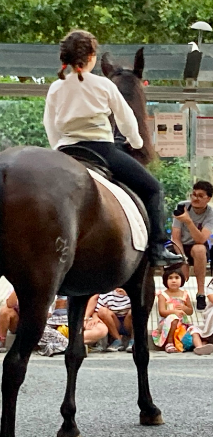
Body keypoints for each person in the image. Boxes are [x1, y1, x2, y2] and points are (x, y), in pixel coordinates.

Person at [42, 29, 183, 267]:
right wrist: (137, 143)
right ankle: (158, 248)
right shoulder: (104, 85)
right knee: (153, 189)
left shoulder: (57, 87)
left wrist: (59, 148)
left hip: (66, 151)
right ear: (91, 57)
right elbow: (127, 120)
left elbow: (49, 123)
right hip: (102, 151)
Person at [171, 181, 213, 310]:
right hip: (180, 246)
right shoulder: (182, 207)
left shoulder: (212, 214)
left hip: (198, 246)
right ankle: (171, 295)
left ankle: (201, 293)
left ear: (208, 199)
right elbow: (176, 237)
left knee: (199, 249)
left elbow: (201, 239)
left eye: (200, 196)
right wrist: (183, 261)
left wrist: (188, 221)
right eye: (193, 195)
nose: (195, 198)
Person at [151, 267, 212, 355]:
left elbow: (190, 311)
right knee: (173, 318)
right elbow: (162, 311)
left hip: (183, 323)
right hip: (167, 323)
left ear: (182, 280)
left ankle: (199, 347)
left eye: (177, 278)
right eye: (170, 278)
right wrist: (174, 312)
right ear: (165, 281)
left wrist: (184, 308)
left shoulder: (185, 294)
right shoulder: (163, 295)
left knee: (193, 329)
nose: (174, 280)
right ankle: (169, 343)